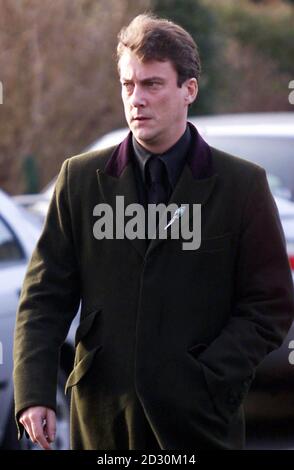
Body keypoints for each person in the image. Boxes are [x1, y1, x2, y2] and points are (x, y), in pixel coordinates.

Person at [14, 13, 294, 451]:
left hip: (201, 422)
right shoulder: (81, 179)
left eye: (152, 84)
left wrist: (207, 374)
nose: (136, 99)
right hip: (102, 417)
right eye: (128, 85)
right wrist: (32, 394)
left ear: (189, 90)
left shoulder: (242, 186)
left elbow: (270, 304)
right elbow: (44, 296)